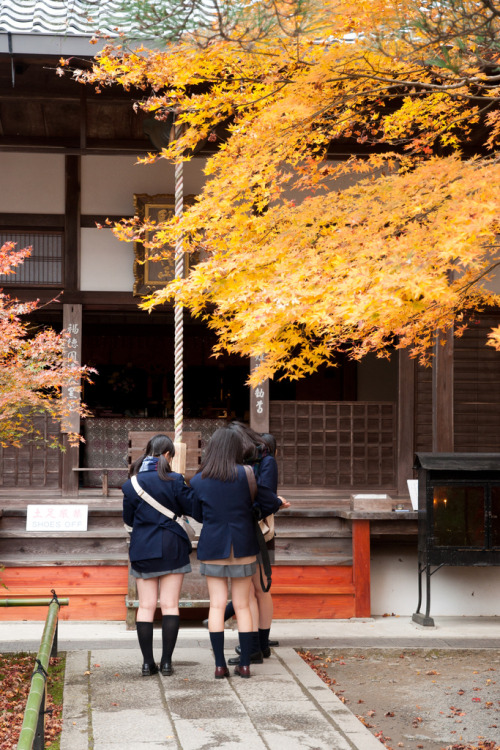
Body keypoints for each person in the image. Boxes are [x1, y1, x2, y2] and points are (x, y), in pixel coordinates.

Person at [190, 427, 290, 679]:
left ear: (212, 449)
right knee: (244, 605)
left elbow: (196, 512)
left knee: (216, 606)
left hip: (212, 545)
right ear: (237, 449)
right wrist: (276, 503)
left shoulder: (199, 479)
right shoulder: (247, 474)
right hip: (243, 544)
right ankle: (245, 664)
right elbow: (267, 502)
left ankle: (220, 665)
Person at [122, 434, 194, 677]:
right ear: (167, 455)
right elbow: (191, 508)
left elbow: (128, 520)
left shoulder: (132, 483)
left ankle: (146, 664)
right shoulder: (175, 480)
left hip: (142, 547)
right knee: (170, 605)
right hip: (172, 545)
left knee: (146, 606)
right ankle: (166, 663)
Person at [225, 422, 282, 666]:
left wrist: (248, 513)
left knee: (260, 589)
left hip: (257, 530)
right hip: (238, 530)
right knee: (246, 591)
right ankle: (255, 646)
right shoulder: (236, 461)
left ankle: (261, 644)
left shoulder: (266, 461)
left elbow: (268, 499)